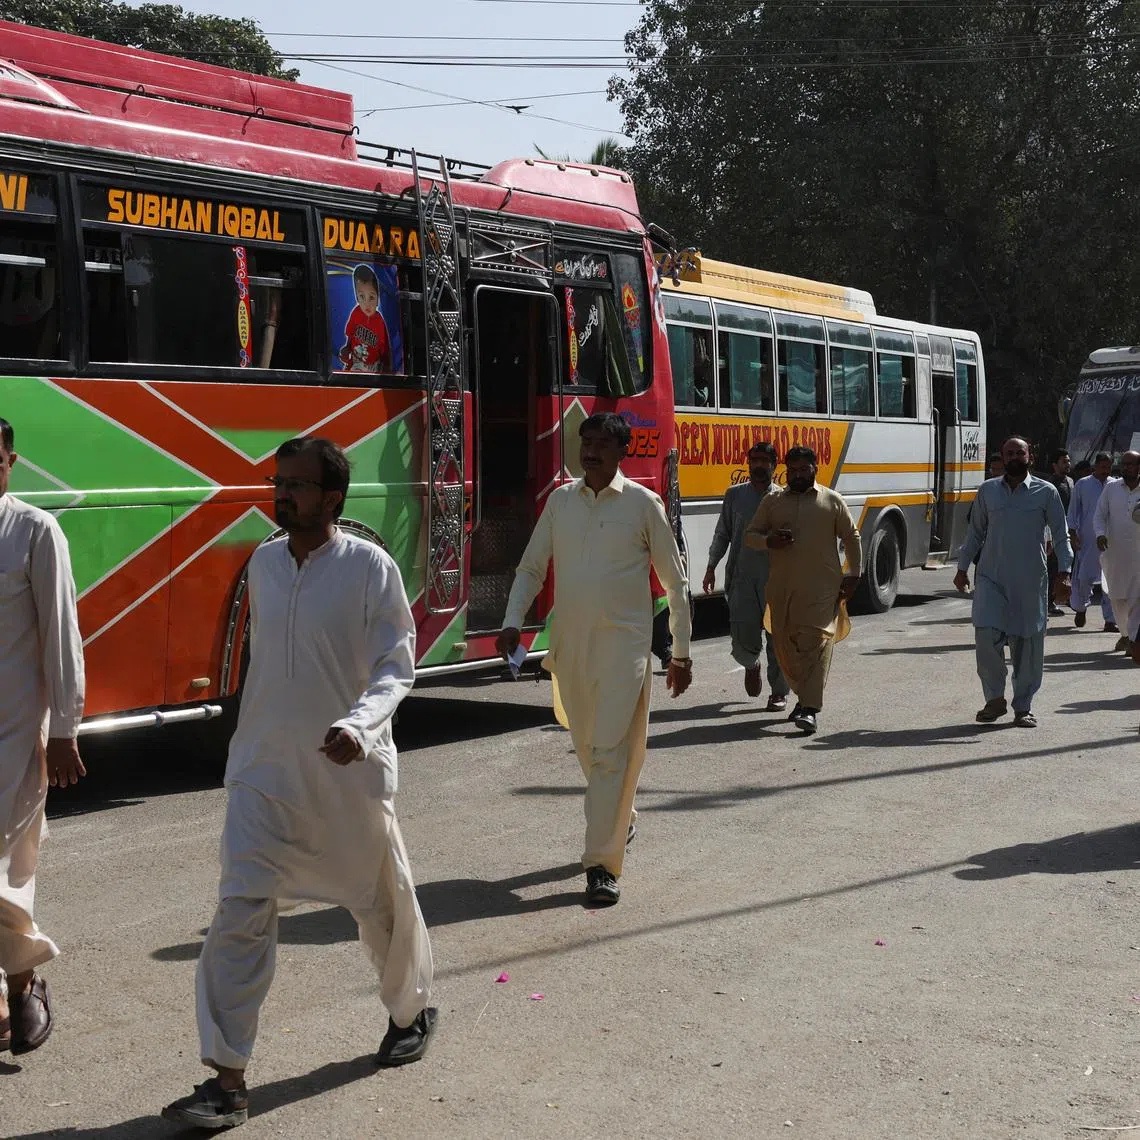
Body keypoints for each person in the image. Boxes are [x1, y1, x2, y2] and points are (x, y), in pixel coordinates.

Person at [163, 437, 435, 1130]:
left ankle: (410, 1012)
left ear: (333, 497)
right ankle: (226, 1080)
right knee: (238, 912)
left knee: (379, 907)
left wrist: (360, 726)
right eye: (278, 481)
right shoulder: (262, 563)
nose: (281, 494)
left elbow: (396, 667)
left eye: (298, 485)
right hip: (263, 773)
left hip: (347, 776)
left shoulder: (370, 568)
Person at [495, 412, 692, 907]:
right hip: (571, 650)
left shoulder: (644, 504)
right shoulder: (560, 503)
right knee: (589, 749)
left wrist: (681, 652)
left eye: (603, 443)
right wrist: (512, 622)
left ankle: (601, 867)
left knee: (608, 753)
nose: (591, 451)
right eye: (586, 442)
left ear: (622, 451)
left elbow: (675, 582)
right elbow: (532, 566)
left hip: (624, 652)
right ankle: (620, 818)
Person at [0, 417, 85, 1058]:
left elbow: (62, 634)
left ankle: (22, 984)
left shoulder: (34, 531)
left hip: (13, 735)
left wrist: (64, 729)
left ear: (12, 461)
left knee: (4, 871)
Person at [742, 445, 862, 736]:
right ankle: (804, 698)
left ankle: (810, 710)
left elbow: (851, 536)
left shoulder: (832, 500)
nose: (797, 475)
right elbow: (750, 536)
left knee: (817, 643)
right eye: (792, 470)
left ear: (815, 469)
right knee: (786, 648)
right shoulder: (773, 502)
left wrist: (855, 574)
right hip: (782, 590)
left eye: (803, 470)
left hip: (822, 589)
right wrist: (769, 541)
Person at [954, 436, 1072, 728]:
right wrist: (962, 567)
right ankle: (994, 699)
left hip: (1030, 581)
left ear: (1030, 456)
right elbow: (975, 533)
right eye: (1010, 453)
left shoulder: (1046, 492)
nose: (1015, 456)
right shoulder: (988, 491)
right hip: (991, 579)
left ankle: (1023, 707)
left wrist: (1065, 573)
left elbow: (1060, 534)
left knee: (1028, 646)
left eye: (1021, 452)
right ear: (1002, 458)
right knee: (985, 637)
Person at [702, 441, 789, 710]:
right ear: (748, 463)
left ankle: (778, 692)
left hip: (776, 581)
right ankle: (752, 664)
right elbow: (723, 532)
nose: (759, 465)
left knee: (778, 638)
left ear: (774, 465)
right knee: (743, 635)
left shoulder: (784, 499)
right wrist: (710, 566)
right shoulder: (734, 495)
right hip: (741, 577)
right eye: (755, 460)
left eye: (765, 461)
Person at [1094, 450, 1140, 660]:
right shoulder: (1112, 488)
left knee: (1136, 600)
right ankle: (1125, 633)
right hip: (1114, 555)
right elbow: (1099, 515)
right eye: (1124, 464)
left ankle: (1133, 640)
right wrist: (1100, 534)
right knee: (1117, 599)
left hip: (1138, 556)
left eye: (1131, 464)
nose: (1127, 467)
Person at [1066, 452, 1116, 632]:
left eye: (1108, 467)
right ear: (1095, 466)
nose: (1105, 470)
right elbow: (1073, 511)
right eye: (1102, 467)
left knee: (1109, 579)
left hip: (1111, 539)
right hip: (1087, 538)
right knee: (1084, 577)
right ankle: (1080, 608)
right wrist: (1072, 534)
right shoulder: (1083, 484)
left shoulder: (1115, 485)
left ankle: (1110, 620)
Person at [337, 264, 391, 374]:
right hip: (356, 364)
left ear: (378, 300)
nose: (367, 303)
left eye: (371, 297)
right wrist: (346, 349)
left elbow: (385, 352)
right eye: (362, 297)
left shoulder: (380, 321)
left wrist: (386, 370)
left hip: (373, 367)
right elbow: (350, 336)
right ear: (357, 297)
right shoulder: (356, 313)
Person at [1045, 448, 1074, 616]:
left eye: (1069, 461)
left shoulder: (1070, 481)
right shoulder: (1050, 485)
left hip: (1068, 532)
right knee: (1052, 569)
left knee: (1066, 566)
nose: (1068, 464)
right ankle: (1049, 602)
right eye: (1064, 461)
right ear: (1055, 465)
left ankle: (1065, 597)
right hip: (1053, 532)